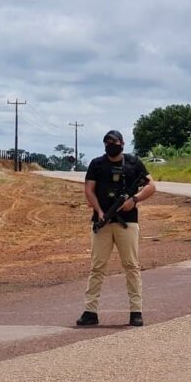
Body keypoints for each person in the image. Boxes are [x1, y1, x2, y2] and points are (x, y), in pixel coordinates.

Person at [76, 130, 156, 327]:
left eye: (114, 141)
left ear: (122, 143)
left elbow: (151, 185)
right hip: (102, 221)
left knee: (131, 266)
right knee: (97, 267)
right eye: (107, 142)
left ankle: (136, 311)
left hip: (127, 222)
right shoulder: (96, 164)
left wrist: (134, 200)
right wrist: (100, 211)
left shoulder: (133, 162)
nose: (111, 145)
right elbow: (89, 190)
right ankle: (90, 312)